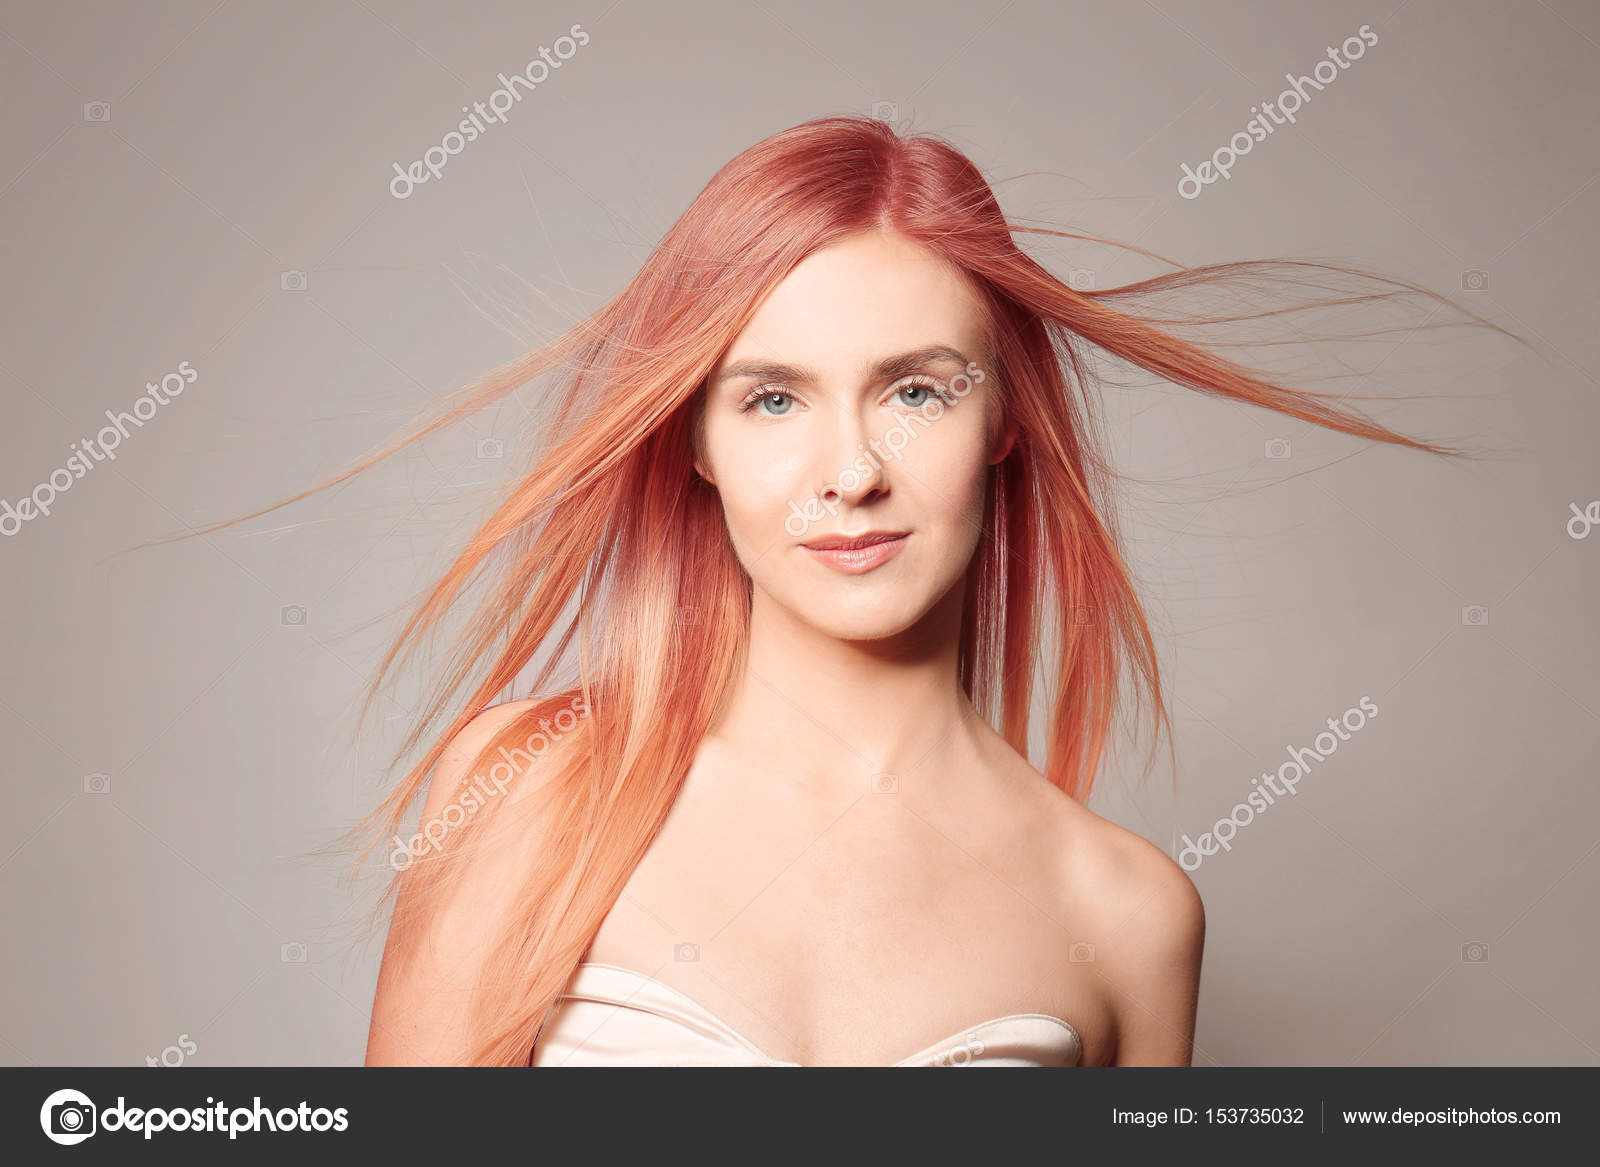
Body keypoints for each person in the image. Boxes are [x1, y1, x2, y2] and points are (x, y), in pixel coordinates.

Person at [235, 115, 1494, 1066]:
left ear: (1004, 420)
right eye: (772, 397)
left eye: (915, 391)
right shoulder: (526, 791)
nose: (848, 473)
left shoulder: (1124, 915)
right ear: (692, 440)